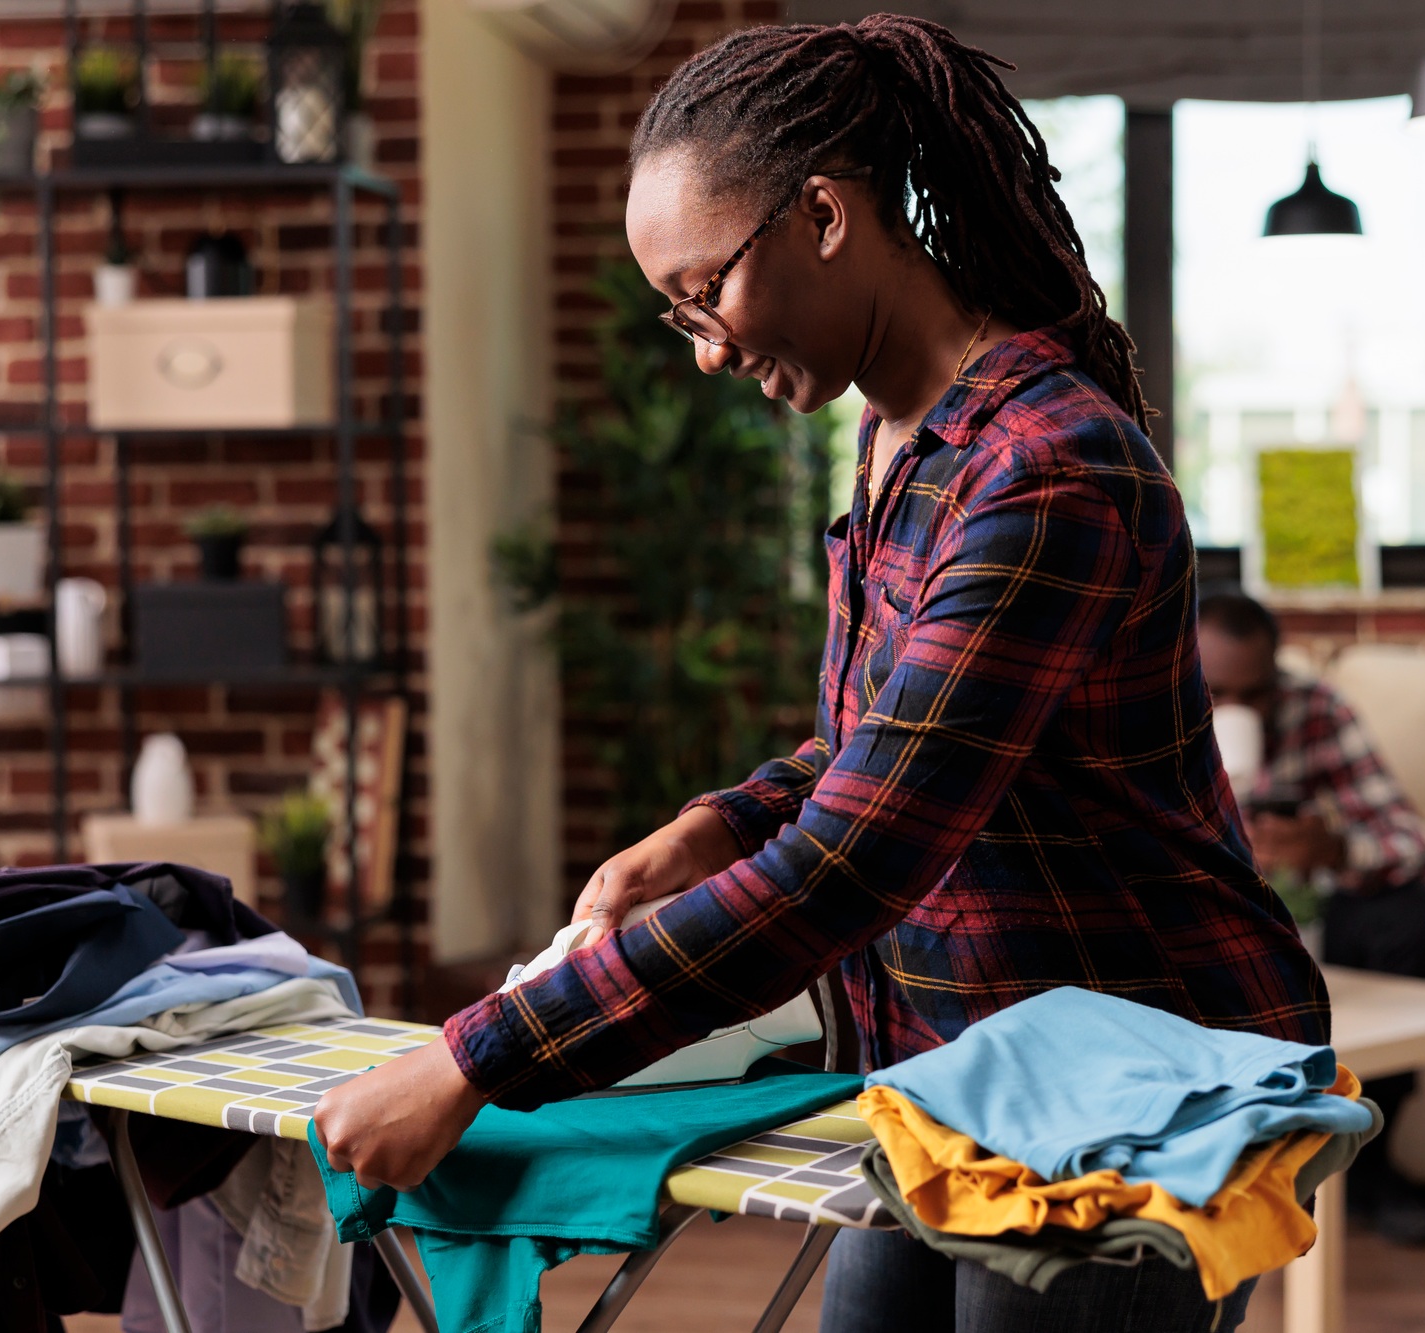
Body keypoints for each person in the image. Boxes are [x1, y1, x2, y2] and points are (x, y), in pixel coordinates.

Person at [315, 16, 1328, 1330]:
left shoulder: (1043, 467)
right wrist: (701, 831)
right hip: (955, 1074)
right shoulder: (899, 437)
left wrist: (480, 1056)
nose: (705, 350)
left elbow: (856, 856)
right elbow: (879, 744)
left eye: (707, 293)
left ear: (824, 217)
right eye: (676, 314)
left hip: (1131, 1086)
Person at [1196, 587, 1425, 1247]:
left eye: (1253, 695)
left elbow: (1411, 845)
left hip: (1311, 921)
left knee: (1415, 916)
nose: (1236, 711)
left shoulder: (1314, 710)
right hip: (1200, 924)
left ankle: (1371, 1164)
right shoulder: (1148, 712)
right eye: (1215, 691)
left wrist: (1336, 848)